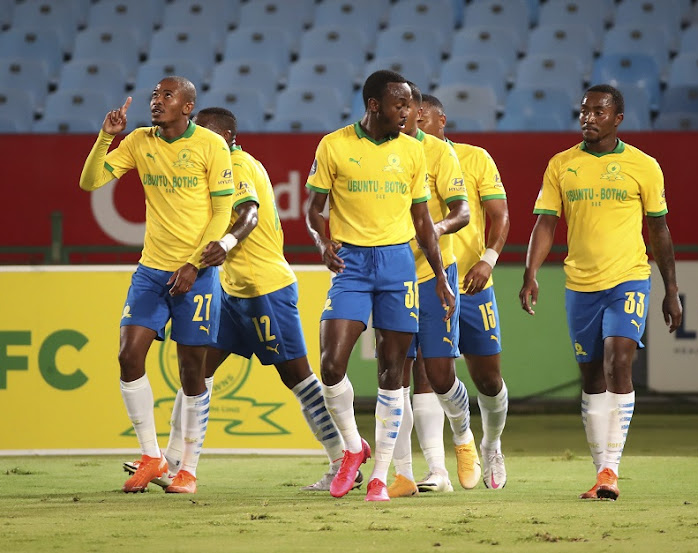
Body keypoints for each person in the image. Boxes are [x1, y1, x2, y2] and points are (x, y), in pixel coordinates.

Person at [123, 107, 360, 492]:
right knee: (195, 375)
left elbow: (248, 213)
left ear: (229, 138)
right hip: (231, 292)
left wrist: (225, 242)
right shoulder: (209, 164)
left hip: (264, 289)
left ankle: (344, 456)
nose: (203, 140)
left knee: (297, 378)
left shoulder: (239, 164)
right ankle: (172, 461)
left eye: (211, 135)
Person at [519, 84, 682, 500]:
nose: (588, 118)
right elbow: (546, 224)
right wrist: (530, 272)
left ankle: (611, 470)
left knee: (618, 360)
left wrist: (671, 289)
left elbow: (659, 230)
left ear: (618, 119)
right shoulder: (561, 165)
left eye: (598, 112)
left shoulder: (644, 166)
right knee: (591, 377)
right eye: (584, 111)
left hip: (628, 277)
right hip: (580, 284)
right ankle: (599, 472)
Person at [305, 69, 455, 502]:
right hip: (351, 263)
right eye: (401, 105)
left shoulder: (413, 152)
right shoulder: (333, 145)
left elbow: (423, 220)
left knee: (393, 373)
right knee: (331, 366)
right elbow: (315, 208)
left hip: (397, 265)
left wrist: (441, 279)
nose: (409, 112)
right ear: (374, 106)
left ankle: (380, 476)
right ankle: (355, 447)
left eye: (410, 104)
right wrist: (322, 243)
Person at [79, 77, 235, 494]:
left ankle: (189, 470)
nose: (156, 101)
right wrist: (104, 139)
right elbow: (89, 182)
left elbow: (223, 212)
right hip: (152, 270)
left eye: (167, 96)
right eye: (154, 95)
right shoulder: (138, 142)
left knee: (191, 373)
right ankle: (151, 455)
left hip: (196, 274)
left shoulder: (210, 145)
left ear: (187, 107)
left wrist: (195, 262)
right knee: (129, 356)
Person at [399, 93, 511, 493]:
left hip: (471, 282)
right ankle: (437, 469)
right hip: (421, 280)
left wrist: (490, 259)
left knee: (488, 379)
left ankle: (491, 442)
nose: (410, 120)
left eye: (420, 115)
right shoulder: (396, 157)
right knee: (426, 371)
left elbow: (500, 215)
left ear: (440, 120)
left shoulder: (474, 157)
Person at [387, 84, 481, 498]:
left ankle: (463, 434)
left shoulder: (440, 153)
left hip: (433, 272)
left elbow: (461, 211)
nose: (408, 114)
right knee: (395, 373)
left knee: (439, 375)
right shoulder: (375, 150)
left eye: (411, 108)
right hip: (389, 276)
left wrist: (431, 232)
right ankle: (414, 473)